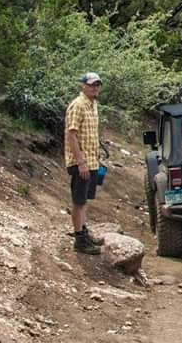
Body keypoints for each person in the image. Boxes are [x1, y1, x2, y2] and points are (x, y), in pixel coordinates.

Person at [65, 72, 105, 255]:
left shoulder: (93, 104)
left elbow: (90, 134)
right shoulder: (78, 105)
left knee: (84, 200)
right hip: (80, 162)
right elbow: (71, 134)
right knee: (78, 201)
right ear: (83, 86)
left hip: (91, 161)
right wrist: (80, 162)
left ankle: (84, 232)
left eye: (97, 84)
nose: (95, 88)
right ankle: (79, 239)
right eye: (91, 85)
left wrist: (96, 158)